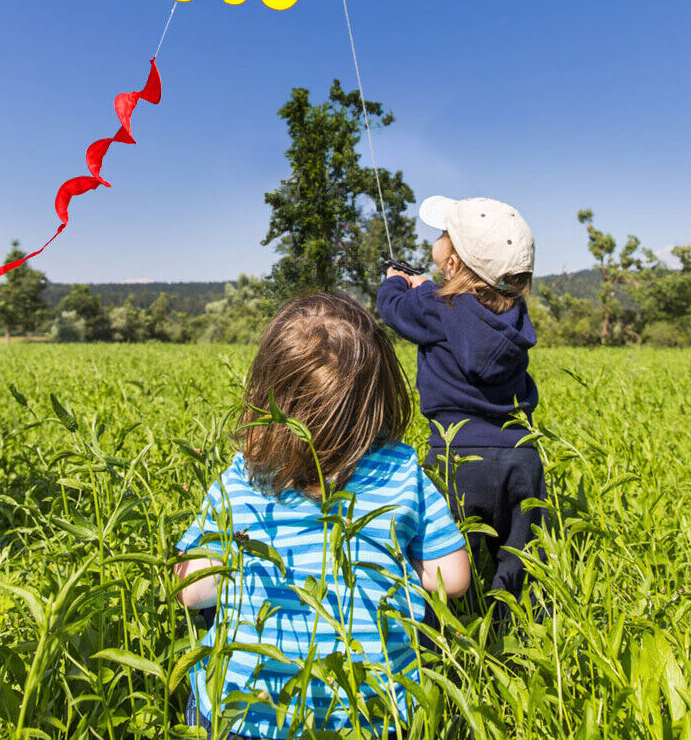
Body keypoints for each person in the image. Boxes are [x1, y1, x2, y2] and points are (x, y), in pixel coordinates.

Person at [175, 292, 470, 739]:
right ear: (377, 396)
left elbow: (192, 591)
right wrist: (393, 567)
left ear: (266, 395)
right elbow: (454, 578)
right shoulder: (401, 471)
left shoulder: (243, 478)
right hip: (373, 716)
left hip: (243, 717)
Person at [377, 195, 547, 616]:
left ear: (451, 264)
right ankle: (522, 638)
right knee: (522, 564)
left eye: (443, 235)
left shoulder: (434, 304)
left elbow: (392, 309)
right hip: (520, 455)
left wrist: (397, 280)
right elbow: (472, 310)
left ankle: (453, 637)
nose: (437, 238)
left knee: (446, 562)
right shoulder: (516, 315)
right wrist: (430, 288)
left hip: (455, 456)